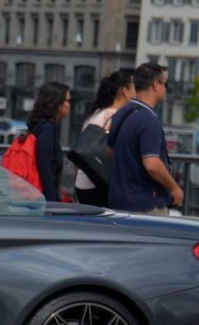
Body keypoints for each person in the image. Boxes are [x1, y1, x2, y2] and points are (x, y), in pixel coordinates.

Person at [107, 63, 184, 215]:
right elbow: (152, 164)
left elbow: (110, 152)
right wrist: (174, 187)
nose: (166, 88)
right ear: (156, 84)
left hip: (119, 201)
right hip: (145, 203)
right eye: (165, 84)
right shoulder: (149, 120)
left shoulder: (121, 114)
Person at [73, 68, 135, 207]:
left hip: (83, 182)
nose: (136, 92)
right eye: (134, 87)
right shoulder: (117, 116)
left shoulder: (95, 113)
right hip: (100, 184)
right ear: (124, 90)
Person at [28, 81, 71, 202]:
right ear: (57, 103)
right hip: (43, 201)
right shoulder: (48, 128)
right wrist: (52, 203)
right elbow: (45, 169)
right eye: (68, 101)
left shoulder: (38, 126)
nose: (69, 105)